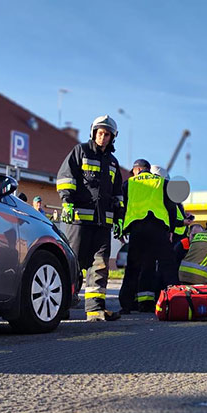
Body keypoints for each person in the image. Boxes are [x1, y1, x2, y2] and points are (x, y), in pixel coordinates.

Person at [56, 114, 124, 322]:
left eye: (107, 134)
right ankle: (61, 308)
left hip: (103, 224)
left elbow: (118, 194)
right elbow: (66, 177)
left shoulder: (113, 163)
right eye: (100, 133)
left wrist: (119, 218)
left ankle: (95, 311)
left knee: (100, 267)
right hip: (79, 221)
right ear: (94, 133)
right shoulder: (80, 152)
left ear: (113, 137)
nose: (103, 137)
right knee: (72, 265)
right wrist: (67, 202)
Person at [119, 159, 178, 313]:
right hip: (158, 229)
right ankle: (175, 301)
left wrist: (121, 230)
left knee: (133, 268)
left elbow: (121, 208)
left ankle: (126, 305)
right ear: (148, 169)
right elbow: (171, 207)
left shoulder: (128, 184)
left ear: (137, 169)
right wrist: (171, 230)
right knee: (167, 266)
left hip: (137, 230)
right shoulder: (161, 182)